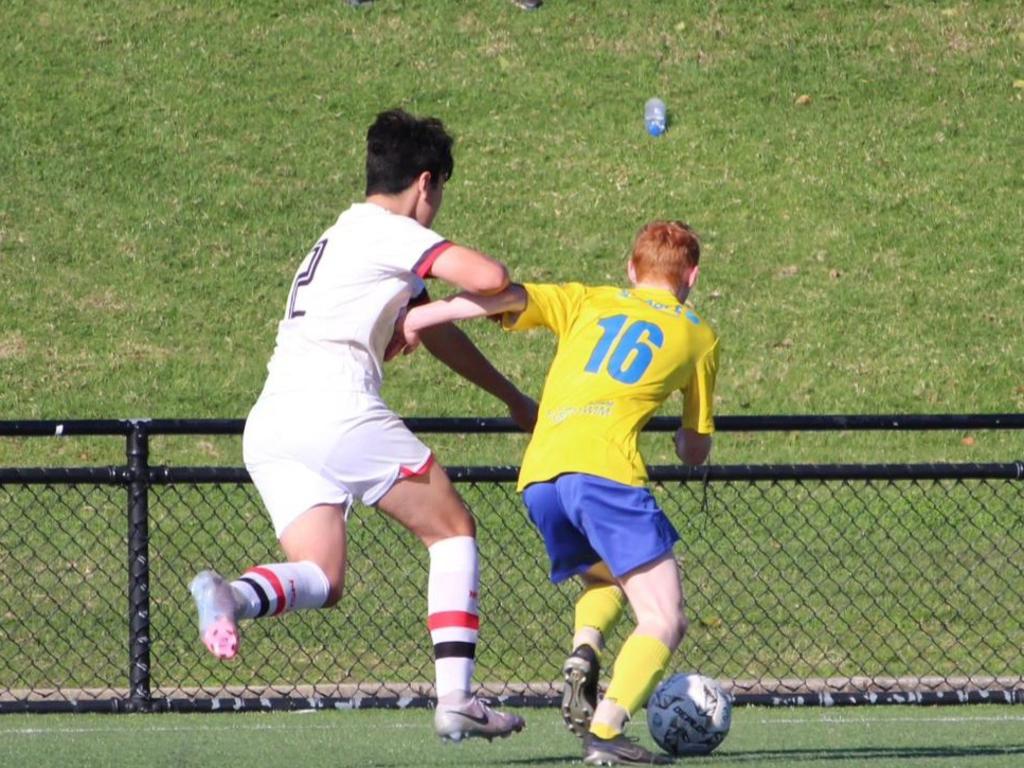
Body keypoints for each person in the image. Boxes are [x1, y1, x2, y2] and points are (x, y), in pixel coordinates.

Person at [190, 108, 536, 742]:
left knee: (322, 575)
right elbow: (491, 278)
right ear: (425, 184)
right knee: (453, 529)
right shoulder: (387, 230)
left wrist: (511, 396)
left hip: (273, 421)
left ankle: (229, 597)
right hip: (336, 405)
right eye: (438, 196)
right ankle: (456, 698)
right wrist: (503, 297)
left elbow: (437, 335)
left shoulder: (339, 235)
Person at [397, 220, 719, 765]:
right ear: (691, 275)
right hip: (606, 474)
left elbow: (503, 296)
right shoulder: (698, 334)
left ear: (631, 270)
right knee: (665, 618)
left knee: (608, 576)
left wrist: (421, 315)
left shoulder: (584, 299)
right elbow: (693, 449)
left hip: (542, 476)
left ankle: (584, 649)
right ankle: (608, 731)